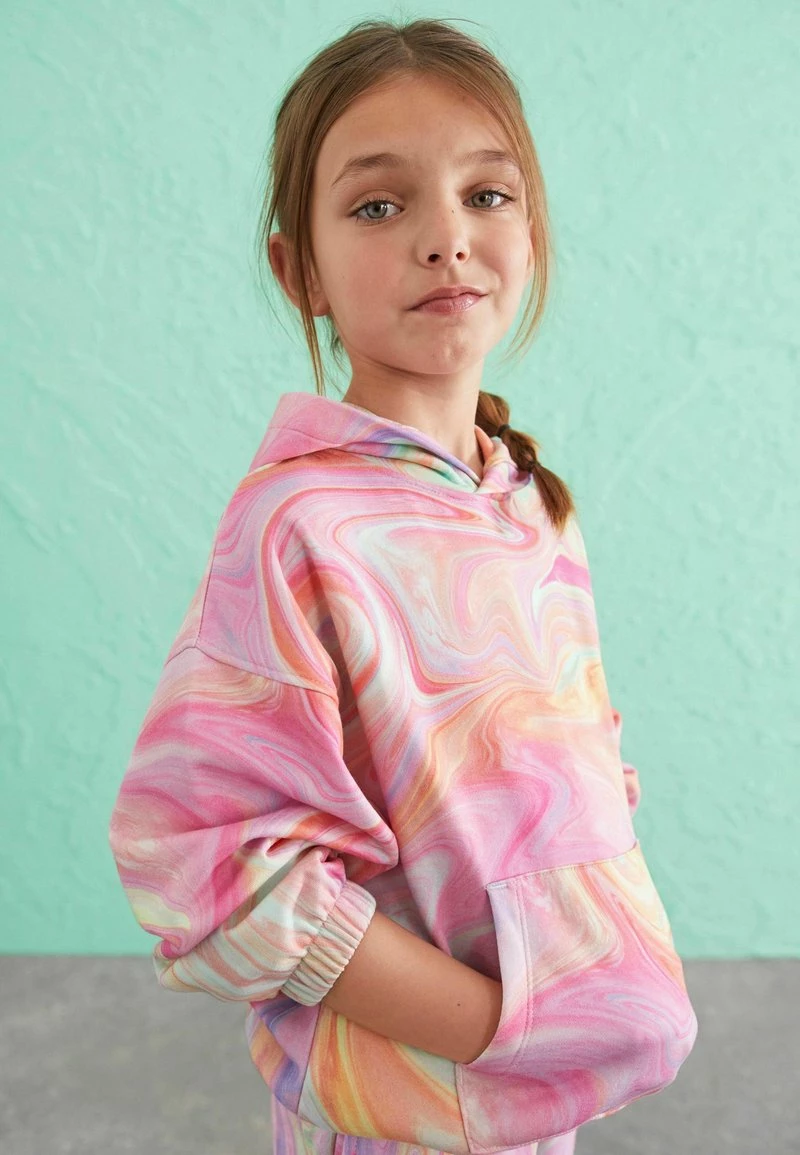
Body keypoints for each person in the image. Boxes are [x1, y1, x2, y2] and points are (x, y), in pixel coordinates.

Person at [107, 16, 698, 1155]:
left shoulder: (529, 503)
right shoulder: (297, 524)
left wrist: (585, 1001)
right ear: (300, 272)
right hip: (408, 1108)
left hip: (542, 1102)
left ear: (532, 230)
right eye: (378, 206)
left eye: (487, 194)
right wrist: (494, 1028)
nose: (445, 238)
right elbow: (202, 857)